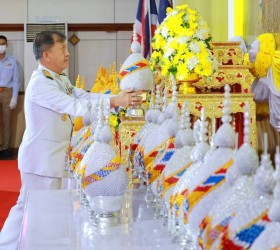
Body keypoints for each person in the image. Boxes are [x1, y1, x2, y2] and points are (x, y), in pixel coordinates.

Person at [0, 30, 143, 249]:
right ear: (47, 55)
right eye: (63, 49)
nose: (67, 53)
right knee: (34, 209)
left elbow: (84, 97)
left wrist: (114, 99)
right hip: (41, 161)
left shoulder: (59, 78)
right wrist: (115, 101)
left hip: (50, 159)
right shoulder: (41, 83)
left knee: (30, 208)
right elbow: (75, 107)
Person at [0, 35, 20, 159]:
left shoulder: (12, 61)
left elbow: (16, 81)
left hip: (7, 93)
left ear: (6, 45)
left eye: (3, 43)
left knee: (7, 122)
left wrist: (14, 97)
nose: (1, 46)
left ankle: (6, 148)